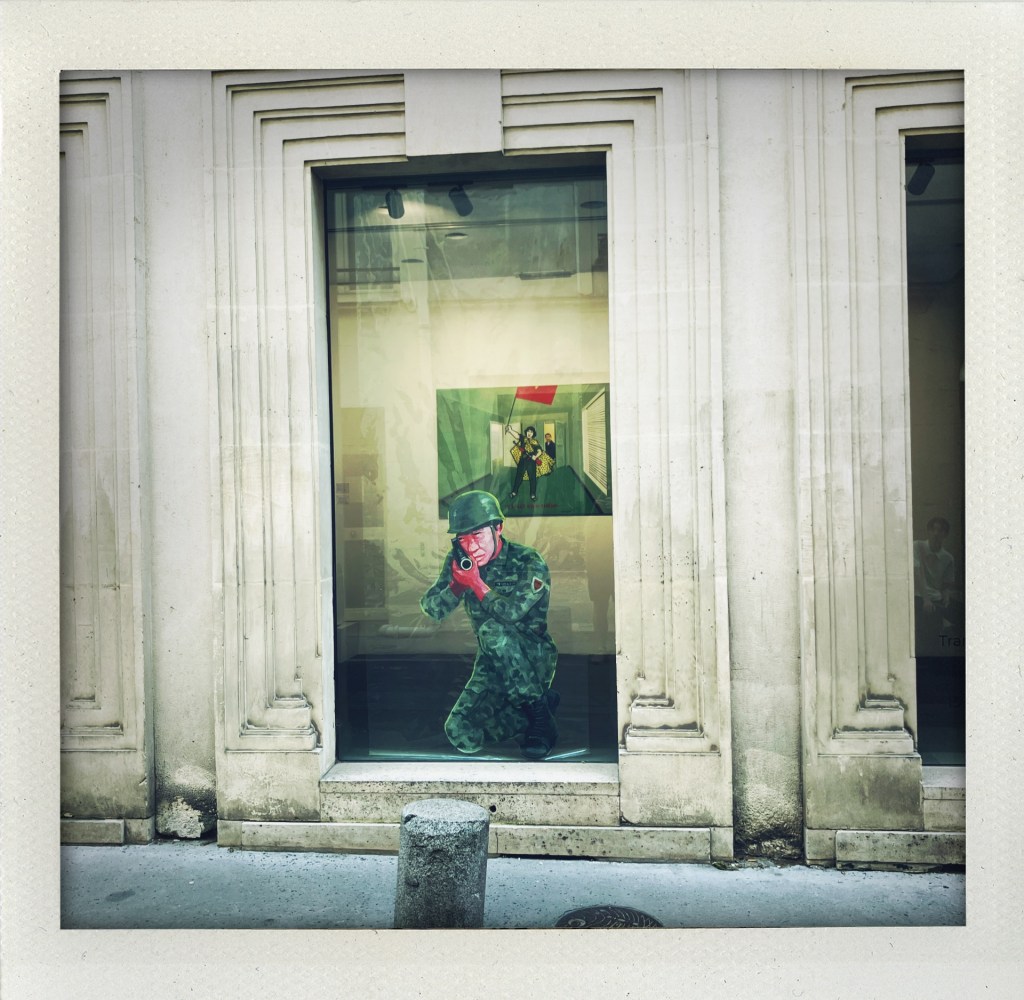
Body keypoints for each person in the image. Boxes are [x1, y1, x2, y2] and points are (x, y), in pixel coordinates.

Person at [420, 490, 560, 759]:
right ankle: (535, 709)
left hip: (532, 657)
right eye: (463, 538)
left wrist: (475, 583)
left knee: (493, 629)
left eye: (477, 535)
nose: (471, 546)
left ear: (498, 529)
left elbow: (512, 613)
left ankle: (541, 719)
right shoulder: (460, 561)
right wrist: (456, 585)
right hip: (490, 661)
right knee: (459, 732)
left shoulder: (528, 561)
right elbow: (432, 608)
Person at [913, 515, 963, 648]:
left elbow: (946, 584)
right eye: (933, 529)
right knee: (926, 632)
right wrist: (926, 600)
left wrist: (946, 596)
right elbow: (917, 575)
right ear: (928, 531)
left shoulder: (948, 558)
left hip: (937, 599)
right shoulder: (917, 546)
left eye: (940, 530)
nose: (936, 533)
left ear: (945, 535)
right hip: (919, 596)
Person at [507, 424, 543, 501]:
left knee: (532, 478)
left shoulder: (535, 442)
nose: (529, 433)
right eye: (528, 431)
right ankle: (514, 492)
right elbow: (517, 435)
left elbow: (540, 451)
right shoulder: (523, 438)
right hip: (523, 461)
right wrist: (510, 430)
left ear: (533, 434)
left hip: (531, 462)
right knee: (518, 477)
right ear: (526, 432)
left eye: (531, 432)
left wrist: (535, 456)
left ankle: (533, 494)